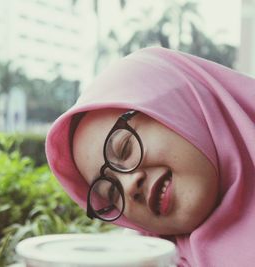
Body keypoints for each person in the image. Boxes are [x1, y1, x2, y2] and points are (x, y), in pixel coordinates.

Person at [45, 47, 255, 266]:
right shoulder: (147, 258)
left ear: (183, 107)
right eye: (112, 193)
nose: (128, 187)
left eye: (125, 148)